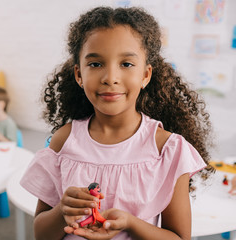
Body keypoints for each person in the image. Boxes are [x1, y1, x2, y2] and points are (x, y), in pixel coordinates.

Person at [20, 6, 214, 240]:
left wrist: (131, 224)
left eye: (126, 64)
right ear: (79, 74)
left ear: (146, 75)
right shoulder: (64, 141)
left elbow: (179, 238)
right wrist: (62, 211)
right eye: (95, 64)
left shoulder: (167, 150)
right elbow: (41, 234)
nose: (110, 77)